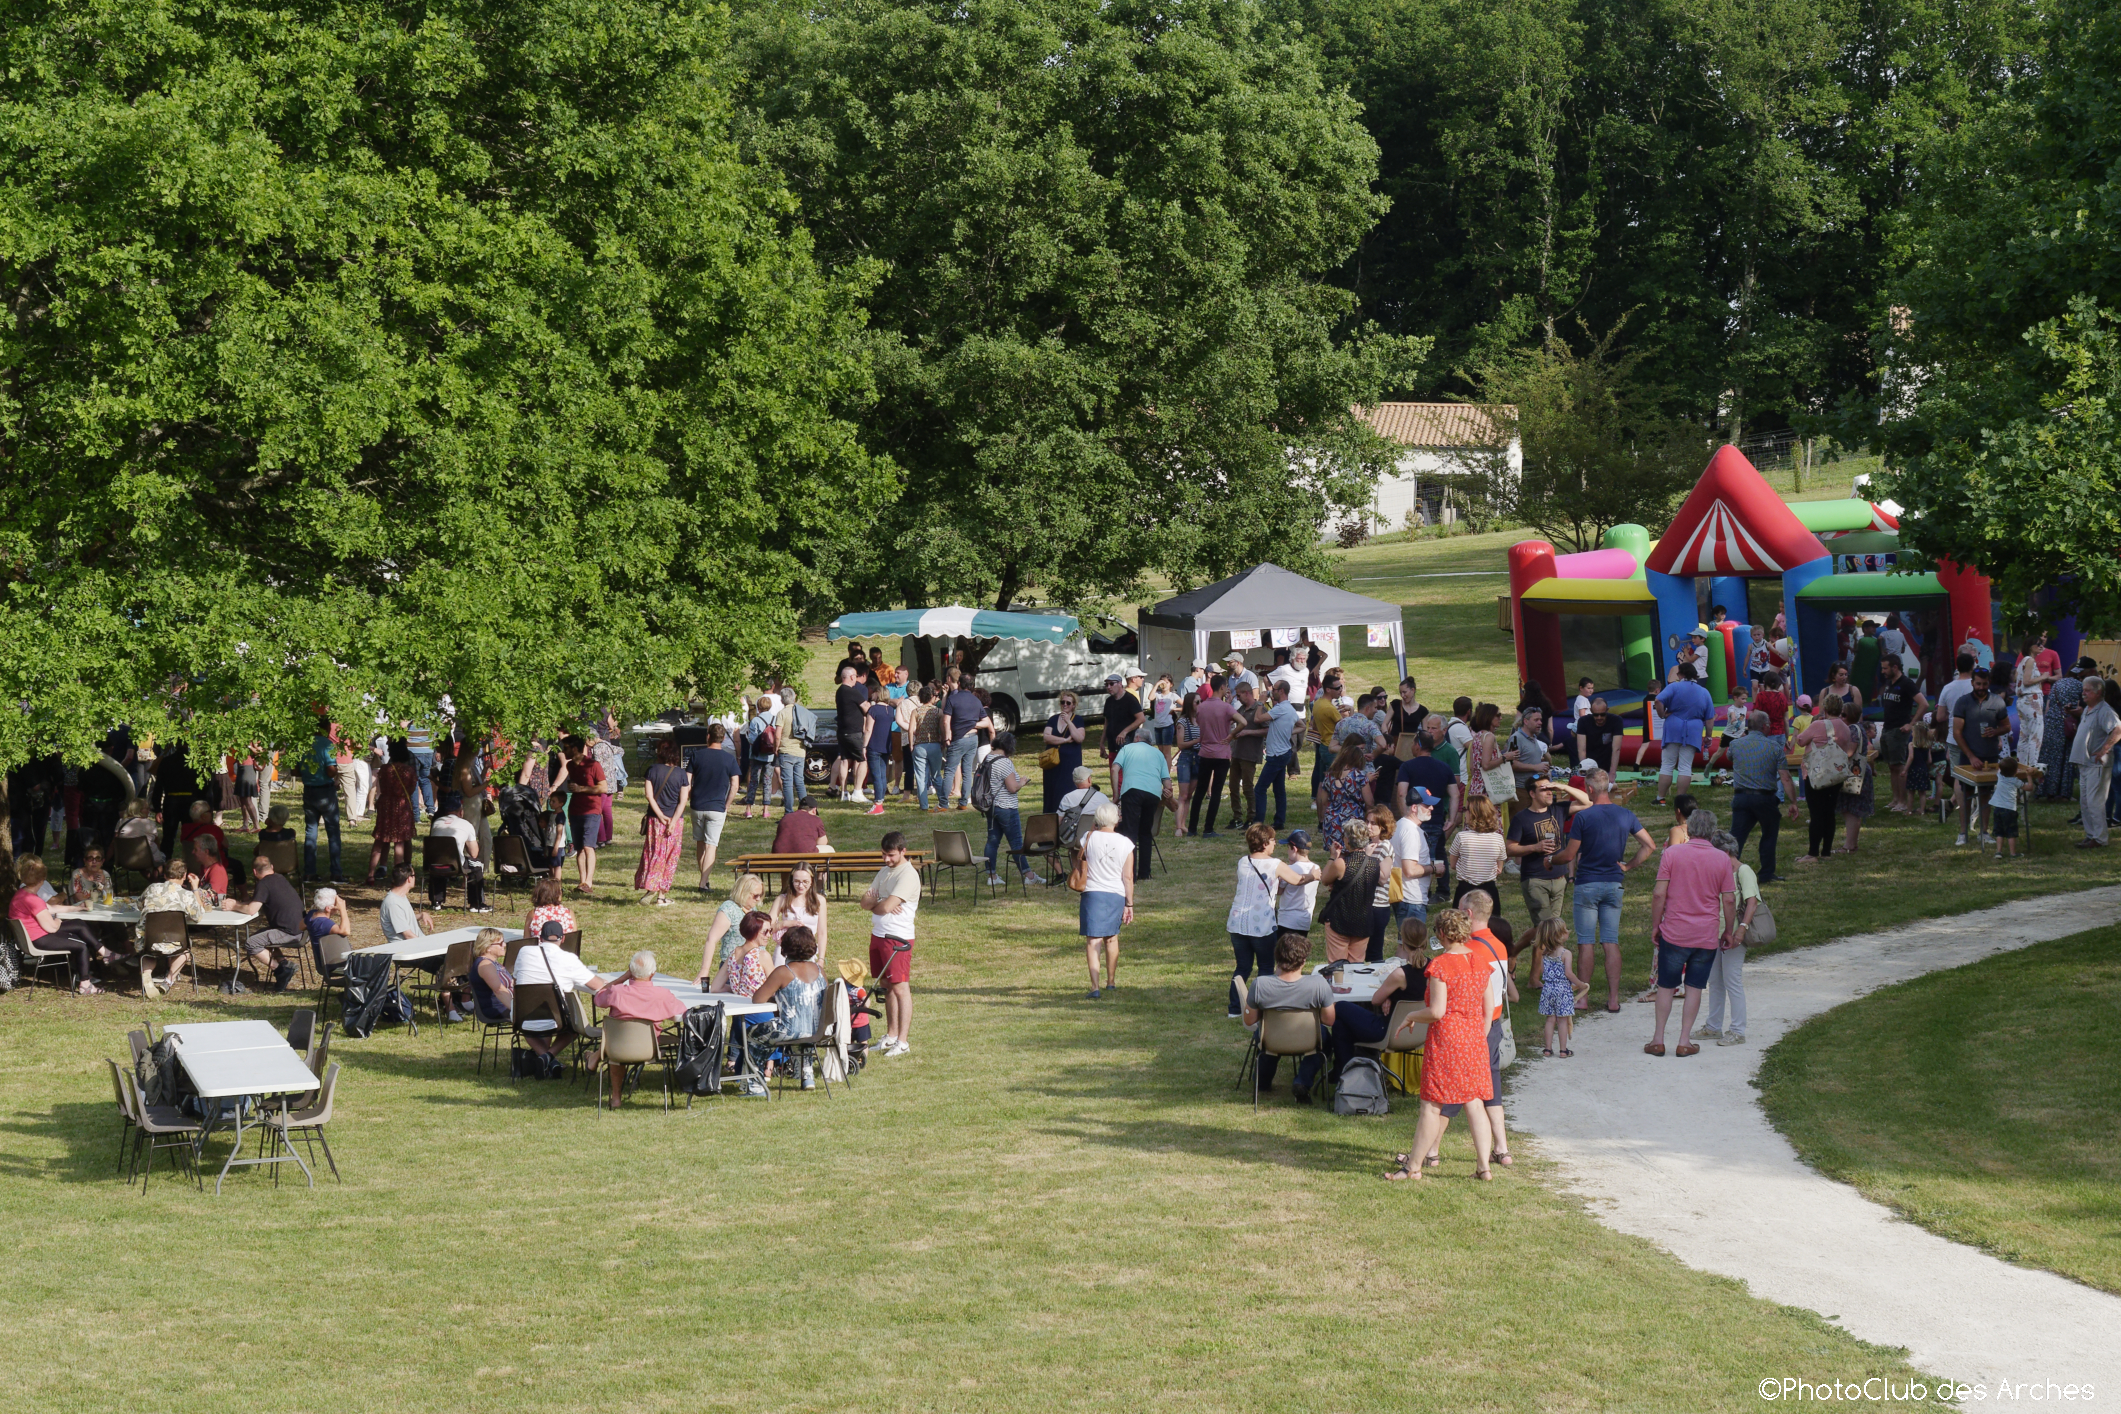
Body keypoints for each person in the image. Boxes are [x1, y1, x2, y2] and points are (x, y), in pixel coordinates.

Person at [1384, 908, 1495, 1180]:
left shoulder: (1441, 965)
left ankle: (1413, 1168)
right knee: (1474, 1103)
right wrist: (1478, 1037)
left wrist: (1410, 1015)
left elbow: (1437, 1011)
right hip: (1474, 1038)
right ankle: (1484, 1167)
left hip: (1447, 1038)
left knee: (1431, 1105)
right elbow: (1488, 1009)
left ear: (1442, 934)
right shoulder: (1481, 962)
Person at [1552, 769, 1655, 1014]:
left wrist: (1550, 861)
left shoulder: (1584, 818)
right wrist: (1628, 865)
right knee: (1611, 941)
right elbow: (1649, 845)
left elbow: (1568, 855)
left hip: (1588, 883)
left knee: (1586, 943)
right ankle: (1613, 999)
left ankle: (1584, 998)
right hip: (1613, 883)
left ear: (1588, 790)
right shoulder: (1626, 814)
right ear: (1608, 786)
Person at [1646, 808, 1735, 1057]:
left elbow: (1658, 893)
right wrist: (1728, 930)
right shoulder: (1721, 859)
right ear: (1713, 831)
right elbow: (1728, 900)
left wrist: (1656, 925)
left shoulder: (1673, 853)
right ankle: (1685, 1041)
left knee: (1665, 986)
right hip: (1705, 934)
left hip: (1674, 931)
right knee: (1694, 987)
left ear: (1689, 828)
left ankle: (1658, 1039)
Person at [1239, 929, 1335, 1103]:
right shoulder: (1318, 984)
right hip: (1309, 1039)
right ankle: (1302, 1081)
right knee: (1325, 1039)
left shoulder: (1260, 984)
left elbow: (1249, 1020)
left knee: (1262, 1036)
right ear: (1303, 961)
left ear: (1276, 957)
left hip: (1272, 1039)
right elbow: (1329, 1020)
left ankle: (1262, 1082)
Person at [1220, 821, 1306, 1010]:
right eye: (1273, 840)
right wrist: (1314, 875)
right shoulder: (1274, 864)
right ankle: (1262, 1006)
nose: (1275, 844)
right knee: (1266, 968)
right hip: (1262, 924)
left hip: (1238, 923)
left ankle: (1235, 1008)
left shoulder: (1243, 861)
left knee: (1242, 967)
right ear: (1265, 843)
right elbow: (1297, 880)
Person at [590, 950, 690, 1104]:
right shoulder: (662, 995)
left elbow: (599, 997)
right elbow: (682, 1013)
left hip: (617, 1048)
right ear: (653, 973)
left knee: (617, 1047)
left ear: (630, 971)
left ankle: (616, 1097)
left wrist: (623, 978)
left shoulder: (617, 992)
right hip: (649, 1049)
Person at [10, 856, 117, 994]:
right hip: (38, 939)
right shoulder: (32, 900)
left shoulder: (23, 894)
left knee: (79, 924)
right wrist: (58, 921)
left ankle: (106, 953)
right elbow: (52, 927)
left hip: (34, 936)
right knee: (81, 945)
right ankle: (85, 985)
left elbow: (51, 908)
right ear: (42, 880)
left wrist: (77, 908)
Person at [741, 927, 827, 1087]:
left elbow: (758, 999)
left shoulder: (783, 971)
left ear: (786, 947)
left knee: (751, 1034)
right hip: (818, 1030)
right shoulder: (820, 970)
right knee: (801, 1032)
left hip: (791, 1030)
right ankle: (807, 1076)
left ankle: (754, 1083)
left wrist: (778, 997)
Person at [512, 919, 597, 1077]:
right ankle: (549, 1057)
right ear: (563, 938)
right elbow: (596, 985)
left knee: (531, 1028)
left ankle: (546, 1060)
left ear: (540, 938)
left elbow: (516, 979)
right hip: (557, 1019)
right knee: (574, 1028)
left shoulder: (524, 951)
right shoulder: (568, 958)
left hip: (521, 1017)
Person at [861, 832, 921, 1055]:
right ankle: (891, 1034)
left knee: (900, 986)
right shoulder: (884, 871)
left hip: (897, 939)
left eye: (891, 855)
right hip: (878, 935)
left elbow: (886, 908)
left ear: (903, 851)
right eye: (884, 855)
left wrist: (880, 903)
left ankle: (902, 1042)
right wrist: (881, 901)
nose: (886, 860)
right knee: (886, 986)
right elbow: (864, 901)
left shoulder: (908, 875)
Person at [1072, 800, 1138, 999]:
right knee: (1112, 937)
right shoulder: (1126, 843)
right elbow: (1128, 877)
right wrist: (1129, 903)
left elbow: (1078, 857)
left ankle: (1095, 986)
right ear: (1117, 819)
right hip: (1115, 894)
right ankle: (1111, 981)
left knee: (1093, 940)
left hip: (1092, 893)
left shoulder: (1088, 837)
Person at [1725, 711, 1801, 883]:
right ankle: (1766, 874)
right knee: (1769, 834)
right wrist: (1793, 802)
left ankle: (1728, 872)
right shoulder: (1774, 748)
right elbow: (1785, 777)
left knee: (1736, 837)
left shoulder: (1735, 745)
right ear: (1765, 726)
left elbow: (1730, 757)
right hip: (1765, 798)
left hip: (1741, 797)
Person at [1700, 830, 1759, 1046]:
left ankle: (1737, 1030)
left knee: (1732, 980)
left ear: (1725, 851)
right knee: (1715, 981)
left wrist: (1741, 929)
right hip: (1716, 934)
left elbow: (1752, 902)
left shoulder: (1744, 871)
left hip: (1734, 935)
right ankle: (1713, 1026)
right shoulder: (1721, 873)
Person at [1507, 777, 1583, 926]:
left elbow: (1587, 802)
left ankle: (1519, 948)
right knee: (1546, 928)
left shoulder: (1558, 809)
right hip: (1535, 880)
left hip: (1559, 878)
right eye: (1544, 789)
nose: (1549, 792)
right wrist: (1535, 847)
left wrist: (1562, 787)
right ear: (1532, 794)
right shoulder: (1521, 818)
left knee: (1552, 928)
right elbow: (1509, 848)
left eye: (1550, 789)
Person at [1791, 698, 1855, 864]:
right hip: (1835, 775)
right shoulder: (1846, 728)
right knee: (1829, 813)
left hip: (1817, 774)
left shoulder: (1819, 725)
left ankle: (1812, 853)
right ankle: (1826, 851)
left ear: (1825, 708)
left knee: (1816, 814)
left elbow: (1800, 740)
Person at [229, 850, 304, 992]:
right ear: (272, 867)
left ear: (254, 871)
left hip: (289, 932)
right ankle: (284, 964)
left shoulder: (263, 884)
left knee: (252, 943)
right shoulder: (280, 878)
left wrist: (233, 905)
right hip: (302, 928)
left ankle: (280, 971)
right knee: (261, 935)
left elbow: (252, 909)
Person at [626, 738, 689, 907]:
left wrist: (660, 816)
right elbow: (683, 801)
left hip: (655, 819)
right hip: (676, 821)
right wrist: (673, 821)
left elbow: (649, 795)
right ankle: (661, 896)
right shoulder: (681, 773)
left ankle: (651, 886)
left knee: (654, 852)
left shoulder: (652, 770)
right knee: (670, 857)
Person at [1951, 667, 2009, 846]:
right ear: (1972, 683)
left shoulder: (1997, 701)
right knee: (1965, 794)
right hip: (1968, 756)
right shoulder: (1963, 702)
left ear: (1989, 683)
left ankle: (1984, 831)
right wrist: (1970, 756)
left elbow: (2006, 726)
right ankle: (1963, 832)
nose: (1981, 687)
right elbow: (1957, 732)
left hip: (1990, 756)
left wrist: (1996, 731)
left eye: (1984, 684)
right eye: (1978, 684)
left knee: (1986, 794)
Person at [685, 724, 739, 890]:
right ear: (723, 738)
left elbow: (686, 781)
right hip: (717, 807)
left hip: (697, 805)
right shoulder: (729, 759)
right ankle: (703, 882)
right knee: (711, 845)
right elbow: (735, 785)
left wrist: (689, 797)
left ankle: (704, 879)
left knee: (700, 844)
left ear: (708, 736)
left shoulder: (697, 755)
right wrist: (727, 805)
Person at [2070, 676, 2121, 847]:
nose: (2083, 693)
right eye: (2083, 689)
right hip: (2085, 763)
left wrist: (2104, 749)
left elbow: (2118, 730)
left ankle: (2099, 838)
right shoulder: (2089, 708)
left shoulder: (2105, 710)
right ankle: (2091, 835)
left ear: (2098, 692)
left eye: (2087, 690)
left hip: (2096, 764)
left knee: (2094, 801)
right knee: (2085, 802)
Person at [1654, 664, 1715, 804]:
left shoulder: (1674, 687)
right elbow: (1709, 717)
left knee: (1667, 764)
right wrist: (1708, 736)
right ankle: (1680, 800)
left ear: (1680, 674)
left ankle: (1660, 799)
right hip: (1693, 728)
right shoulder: (1704, 692)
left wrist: (1662, 714)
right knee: (1685, 766)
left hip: (1673, 725)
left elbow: (1658, 700)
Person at [1110, 732, 1169, 877]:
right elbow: (1167, 780)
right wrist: (1168, 792)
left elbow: (1114, 769)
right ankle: (1145, 873)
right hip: (1153, 793)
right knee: (1145, 832)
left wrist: (1116, 794)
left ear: (1137, 738)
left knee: (1130, 832)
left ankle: (1130, 873)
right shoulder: (1158, 754)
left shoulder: (1127, 749)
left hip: (1132, 790)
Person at [1874, 654, 1926, 813]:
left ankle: (1903, 801)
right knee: (1891, 766)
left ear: (1895, 667)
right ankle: (1895, 799)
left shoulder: (1907, 684)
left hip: (1899, 730)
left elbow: (1923, 704)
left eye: (1885, 668)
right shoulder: (1890, 683)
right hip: (1887, 728)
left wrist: (1911, 724)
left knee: (1899, 766)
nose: (1883, 671)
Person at [1529, 918, 1588, 1057]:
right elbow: (1568, 973)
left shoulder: (1545, 954)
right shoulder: (1566, 954)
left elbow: (1543, 971)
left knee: (1550, 1019)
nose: (1568, 931)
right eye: (1565, 930)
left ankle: (1547, 1049)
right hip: (1563, 990)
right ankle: (1563, 1050)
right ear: (1559, 935)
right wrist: (1580, 984)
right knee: (1562, 1020)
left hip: (1548, 989)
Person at [1188, 676, 1238, 836]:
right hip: (1222, 753)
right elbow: (1242, 721)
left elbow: (1201, 721)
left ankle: (1192, 828)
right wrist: (1231, 735)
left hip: (1205, 752)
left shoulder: (1202, 707)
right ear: (1222, 687)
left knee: (1200, 791)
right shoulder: (1226, 708)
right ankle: (1208, 829)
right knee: (1216, 792)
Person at [365, 739, 418, 884]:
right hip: (402, 805)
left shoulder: (385, 769)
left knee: (380, 839)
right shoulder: (409, 771)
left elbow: (381, 785)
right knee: (399, 841)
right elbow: (412, 789)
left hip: (386, 804)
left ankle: (370, 874)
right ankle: (398, 878)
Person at [426, 790, 489, 912]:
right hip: (455, 865)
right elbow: (474, 853)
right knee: (476, 865)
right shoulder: (466, 824)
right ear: (461, 811)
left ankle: (436, 901)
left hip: (433, 864)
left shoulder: (436, 823)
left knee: (440, 859)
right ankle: (476, 903)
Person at [697, 873, 766, 981]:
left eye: (760, 895)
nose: (758, 899)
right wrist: (704, 971)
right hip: (734, 968)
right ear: (743, 892)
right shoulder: (729, 909)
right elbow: (711, 940)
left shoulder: (753, 910)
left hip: (755, 968)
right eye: (755, 895)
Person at [1447, 797, 1508, 912]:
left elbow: (1453, 864)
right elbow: (1499, 868)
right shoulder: (1498, 839)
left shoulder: (1461, 837)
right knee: (1491, 923)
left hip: (1465, 889)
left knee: (1461, 924)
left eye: (1466, 809)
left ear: (1473, 813)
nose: (1464, 812)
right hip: (1489, 889)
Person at [940, 671, 988, 812]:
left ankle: (943, 804)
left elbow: (945, 720)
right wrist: (973, 725)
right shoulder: (976, 701)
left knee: (949, 771)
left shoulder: (953, 699)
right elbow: (985, 721)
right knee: (967, 771)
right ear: (972, 685)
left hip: (958, 738)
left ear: (959, 684)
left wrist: (946, 737)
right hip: (973, 739)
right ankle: (963, 803)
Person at [1314, 742, 1376, 847]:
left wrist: (1323, 820)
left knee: (1335, 853)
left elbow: (1323, 801)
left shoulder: (1329, 776)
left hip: (1332, 820)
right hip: (1354, 820)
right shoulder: (1359, 776)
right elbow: (1369, 802)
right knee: (1354, 851)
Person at [1225, 681, 1268, 829]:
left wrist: (1248, 732)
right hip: (1237, 751)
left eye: (1239, 695)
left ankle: (1252, 816)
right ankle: (1237, 817)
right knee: (1233, 785)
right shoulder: (1242, 709)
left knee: (1248, 787)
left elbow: (1267, 730)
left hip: (1250, 753)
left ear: (1247, 693)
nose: (1237, 698)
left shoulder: (1259, 709)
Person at [767, 864, 828, 963]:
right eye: (796, 881)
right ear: (791, 880)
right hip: (785, 952)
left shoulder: (819, 900)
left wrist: (821, 959)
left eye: (805, 882)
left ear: (812, 881)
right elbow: (767, 927)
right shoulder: (782, 899)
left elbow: (822, 932)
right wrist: (784, 924)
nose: (800, 886)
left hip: (808, 951)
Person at [1040, 693, 1087, 816]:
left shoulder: (1078, 720)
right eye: (1063, 702)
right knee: (1052, 792)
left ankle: (1067, 819)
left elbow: (1079, 738)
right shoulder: (1053, 719)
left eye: (1068, 703)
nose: (1065, 705)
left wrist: (1068, 722)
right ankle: (1051, 819)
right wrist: (1065, 740)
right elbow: (1046, 738)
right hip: (1052, 765)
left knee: (1067, 791)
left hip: (1070, 764)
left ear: (1073, 705)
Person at [832, 664, 869, 803]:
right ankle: (858, 792)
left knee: (844, 760)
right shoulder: (852, 692)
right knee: (862, 760)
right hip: (854, 732)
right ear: (852, 677)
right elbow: (866, 708)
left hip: (842, 731)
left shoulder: (839, 691)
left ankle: (844, 792)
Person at [466, 928, 514, 1031]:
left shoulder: (494, 963)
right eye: (500, 943)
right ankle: (544, 1047)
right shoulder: (485, 965)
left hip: (506, 1004)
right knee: (539, 1015)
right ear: (488, 947)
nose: (504, 945)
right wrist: (517, 1009)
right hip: (497, 1009)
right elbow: (499, 990)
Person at [1276, 830, 1320, 937]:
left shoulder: (1290, 869)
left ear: (1294, 849)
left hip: (1286, 920)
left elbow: (1279, 891)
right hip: (1304, 920)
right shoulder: (1316, 868)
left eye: (1288, 848)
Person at [1172, 693, 1203, 838]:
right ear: (1191, 703)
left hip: (1198, 757)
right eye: (1198, 701)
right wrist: (1198, 740)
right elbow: (1180, 744)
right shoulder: (1182, 722)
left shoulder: (1200, 720)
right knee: (1183, 794)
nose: (1200, 704)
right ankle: (1178, 826)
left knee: (1189, 794)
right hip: (1186, 758)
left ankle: (1183, 824)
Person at [1573, 697, 1625, 777]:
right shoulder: (1583, 722)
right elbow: (1581, 749)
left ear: (1607, 710)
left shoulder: (1616, 720)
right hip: (1589, 761)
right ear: (1591, 711)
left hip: (1606, 762)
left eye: (1602, 714)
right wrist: (1584, 770)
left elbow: (1616, 749)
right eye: (1596, 715)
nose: (1599, 717)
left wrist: (1612, 773)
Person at [1504, 707, 1550, 797]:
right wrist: (1535, 767)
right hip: (1521, 790)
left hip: (1532, 788)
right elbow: (1512, 764)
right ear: (1525, 721)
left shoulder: (1533, 737)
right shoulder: (1517, 738)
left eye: (1540, 720)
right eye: (1536, 720)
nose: (1540, 723)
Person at [1989, 758, 2027, 858]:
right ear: (2015, 771)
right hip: (2009, 809)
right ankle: (2013, 853)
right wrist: (2029, 776)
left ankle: (1998, 852)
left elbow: (2000, 769)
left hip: (1998, 808)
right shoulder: (2015, 781)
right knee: (2011, 832)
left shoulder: (2000, 777)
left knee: (1999, 832)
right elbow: (2029, 787)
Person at [1385, 678, 1429, 759]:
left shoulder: (1423, 711)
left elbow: (1425, 733)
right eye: (1400, 693)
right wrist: (1387, 739)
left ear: (1413, 690)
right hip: (1395, 745)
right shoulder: (1395, 704)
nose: (1402, 695)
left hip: (1411, 747)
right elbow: (1384, 724)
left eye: (1404, 692)